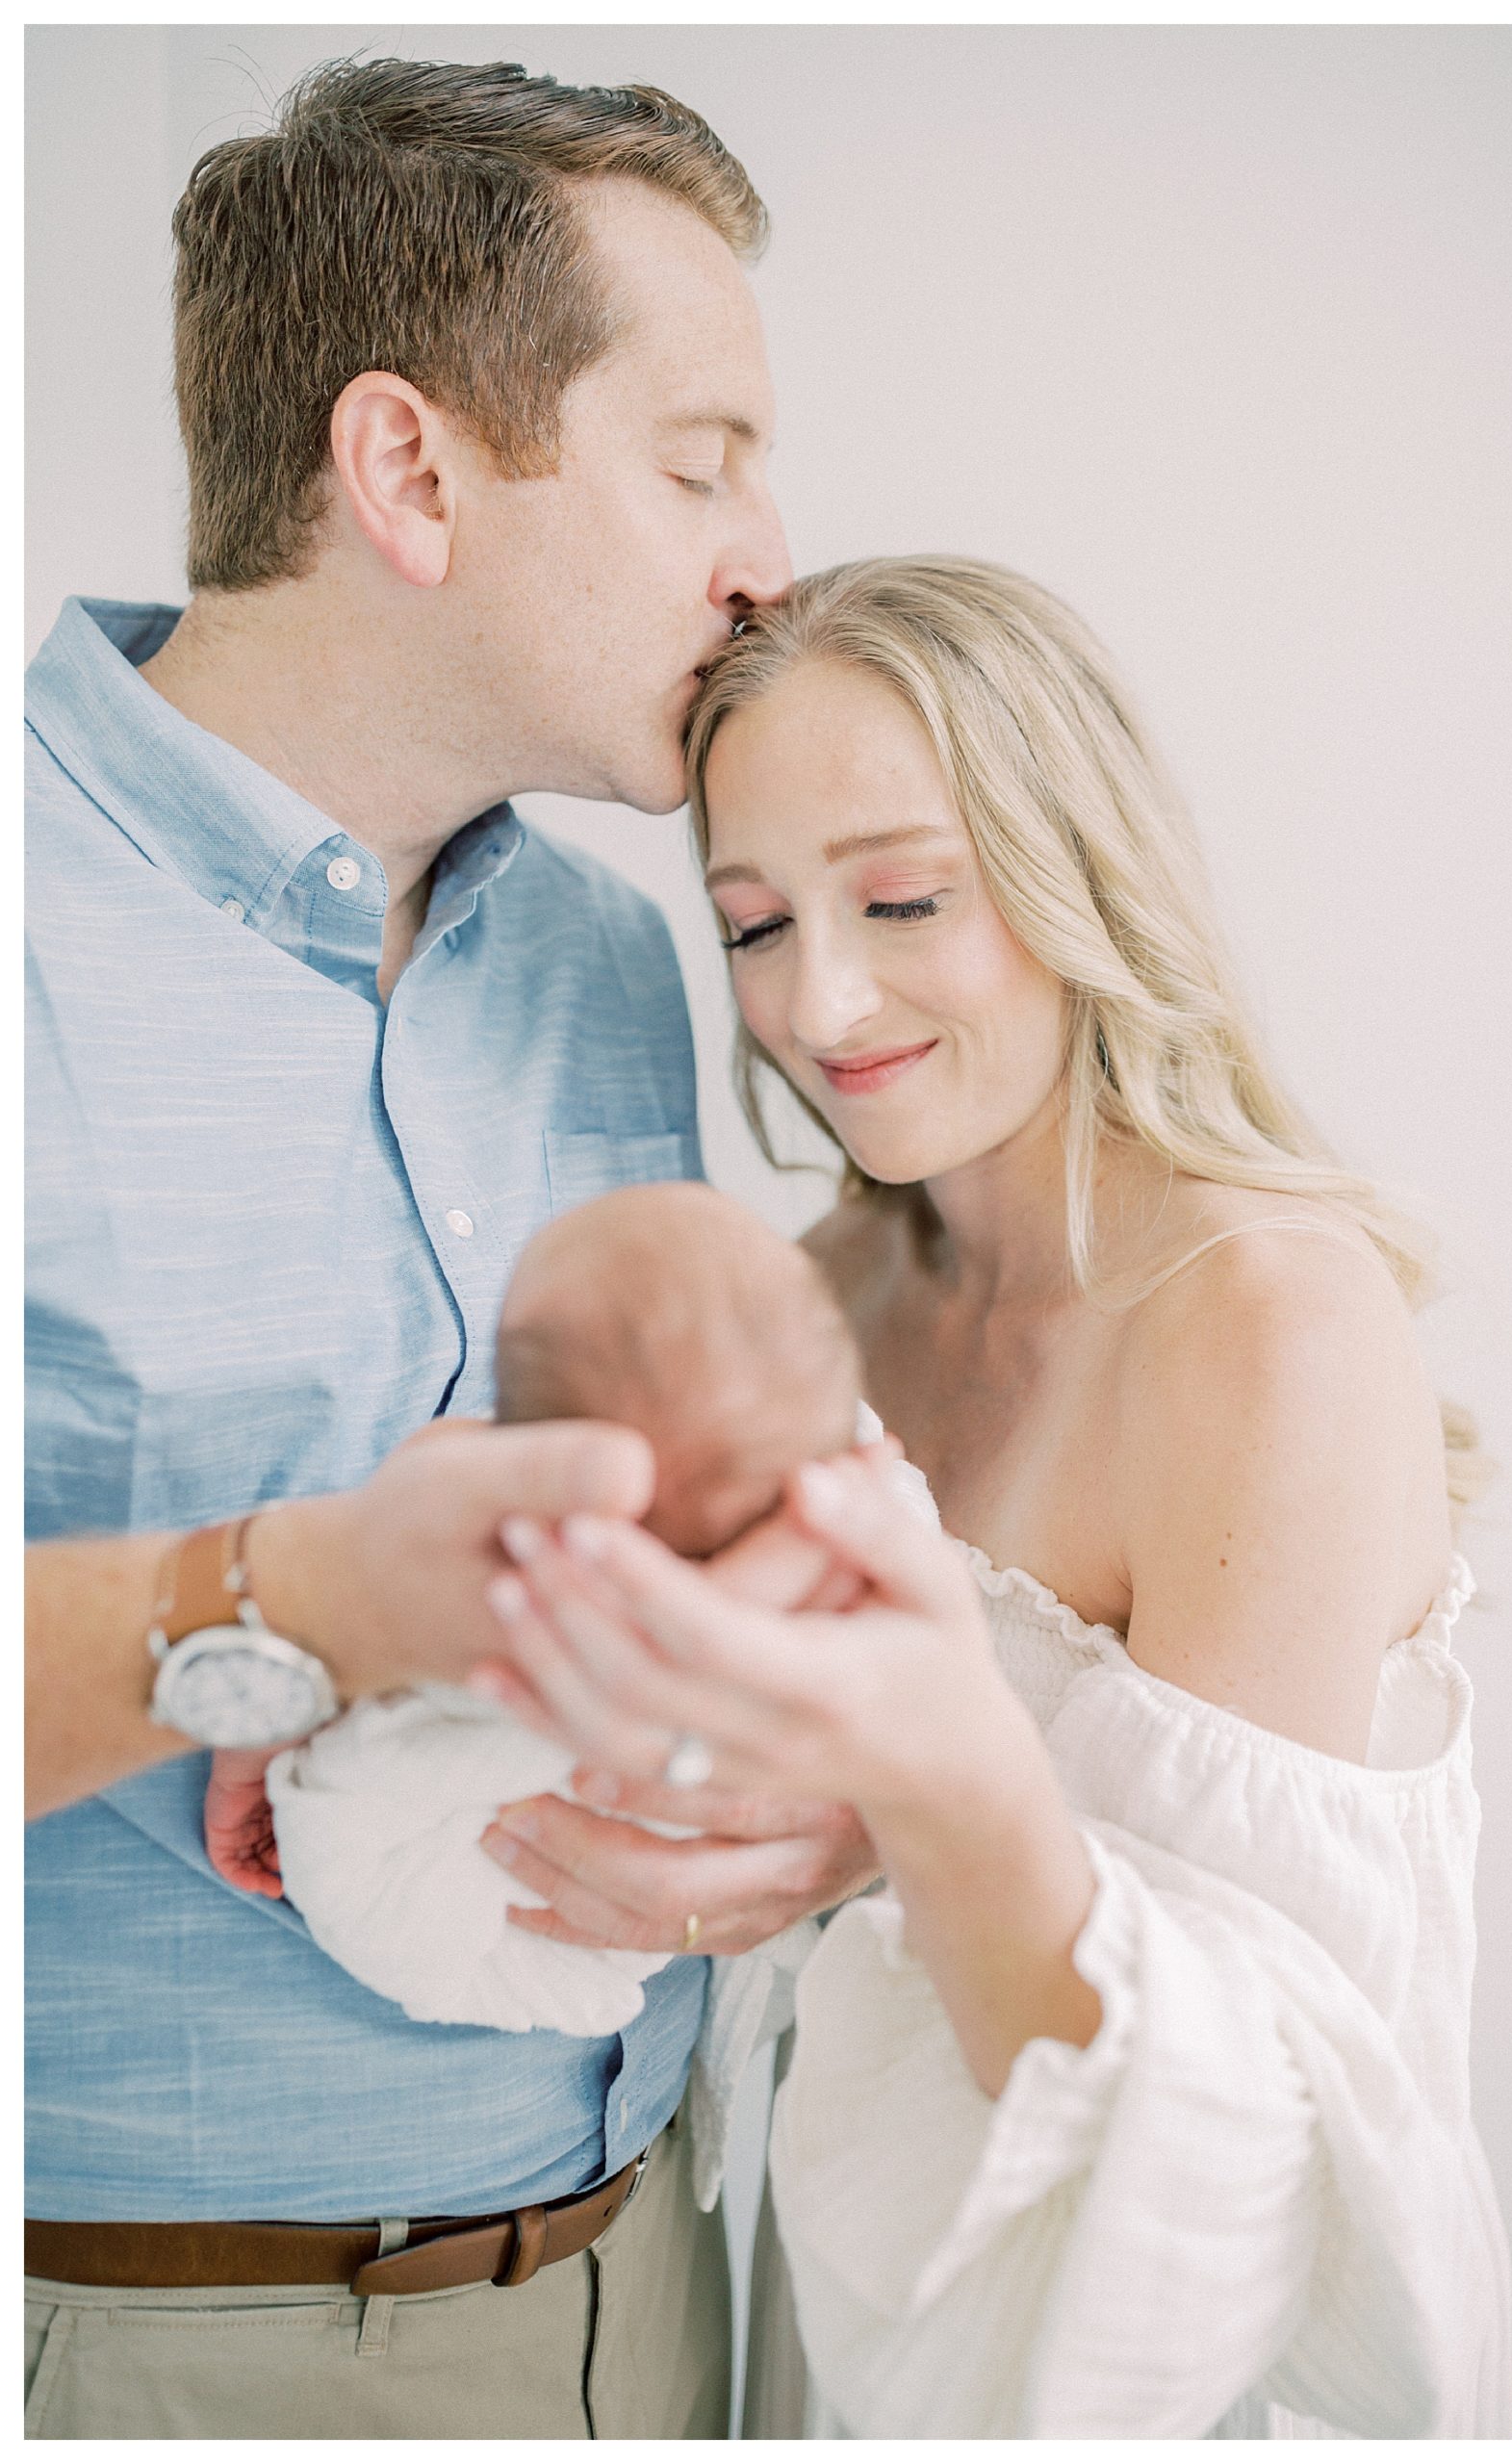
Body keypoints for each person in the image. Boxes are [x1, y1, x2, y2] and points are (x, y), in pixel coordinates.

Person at [23, 56, 875, 2443]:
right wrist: (288, 1596)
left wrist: (798, 1801)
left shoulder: (625, 958)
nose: (764, 555)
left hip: (653, 2292)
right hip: (133, 2355)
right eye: (695, 457)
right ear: (406, 470)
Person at [473, 555, 1512, 2437]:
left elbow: (1242, 2118)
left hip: (1163, 2351)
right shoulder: (813, 1304)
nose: (824, 995)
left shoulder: (1265, 1316)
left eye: (900, 897)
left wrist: (884, 1812)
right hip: (852, 2325)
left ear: (1074, 877)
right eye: (754, 922)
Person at [204, 1182, 867, 2042]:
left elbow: (345, 1601)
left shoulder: (500, 1543)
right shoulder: (850, 1544)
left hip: (460, 1822)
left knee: (355, 1834)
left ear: (525, 1448)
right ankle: (574, 1994)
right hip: (658, 1871)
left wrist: (254, 1751)